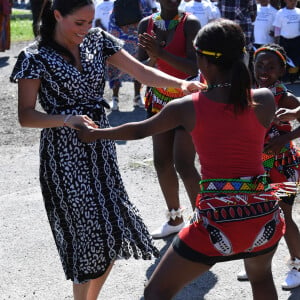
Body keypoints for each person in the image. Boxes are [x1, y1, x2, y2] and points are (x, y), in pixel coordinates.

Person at [78, 19, 287, 299]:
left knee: (156, 293)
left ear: (203, 61)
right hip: (265, 219)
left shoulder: (187, 107)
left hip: (217, 222)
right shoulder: (264, 99)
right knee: (261, 279)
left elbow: (139, 130)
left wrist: (95, 134)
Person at [9, 0, 202, 299]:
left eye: (90, 22)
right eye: (79, 23)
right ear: (57, 15)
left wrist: (182, 85)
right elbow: (26, 115)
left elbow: (143, 73)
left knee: (111, 234)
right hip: (63, 157)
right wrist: (65, 120)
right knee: (87, 241)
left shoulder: (98, 41)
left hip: (100, 148)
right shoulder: (34, 56)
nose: (86, 29)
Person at [236, 44, 300, 290]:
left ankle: (297, 264)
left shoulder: (285, 96)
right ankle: (256, 263)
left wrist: (285, 138)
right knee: (253, 213)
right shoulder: (247, 92)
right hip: (254, 164)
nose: (264, 70)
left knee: (284, 215)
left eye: (271, 66)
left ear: (282, 70)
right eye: (259, 65)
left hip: (282, 165)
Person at [137, 0, 201, 238]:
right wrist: (153, 59)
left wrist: (160, 53)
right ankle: (175, 219)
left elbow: (193, 67)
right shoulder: (146, 24)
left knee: (184, 163)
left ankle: (201, 220)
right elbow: (140, 68)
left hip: (186, 101)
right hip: (158, 100)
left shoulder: (191, 23)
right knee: (162, 161)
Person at [108, 0, 155, 110]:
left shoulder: (119, 3)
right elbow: (150, 19)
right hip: (133, 38)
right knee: (136, 66)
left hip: (122, 38)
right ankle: (136, 97)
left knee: (119, 66)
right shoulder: (143, 3)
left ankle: (116, 99)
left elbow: (112, 23)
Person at [273, 0, 300, 83]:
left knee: (296, 59)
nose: (293, 2)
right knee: (284, 59)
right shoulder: (280, 12)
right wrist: (276, 42)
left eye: (295, 0)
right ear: (285, 1)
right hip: (284, 40)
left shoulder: (299, 12)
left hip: (297, 39)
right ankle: (285, 78)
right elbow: (277, 28)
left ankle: (294, 78)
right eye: (291, 0)